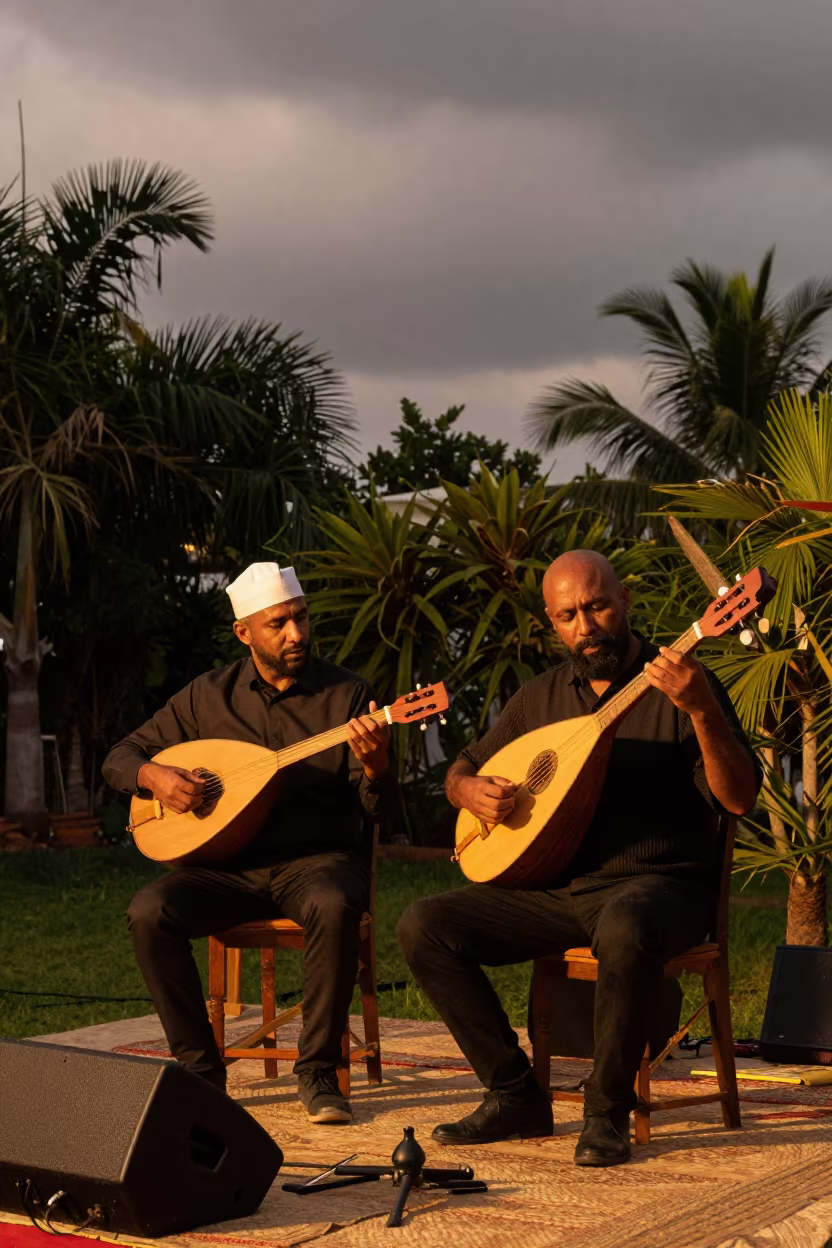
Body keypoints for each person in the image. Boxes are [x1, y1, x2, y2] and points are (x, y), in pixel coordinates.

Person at [397, 550, 761, 1166]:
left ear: (622, 602)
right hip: (558, 890)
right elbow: (464, 764)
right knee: (423, 925)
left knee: (625, 924)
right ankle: (515, 1095)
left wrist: (700, 710)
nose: (585, 625)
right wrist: (466, 791)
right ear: (552, 621)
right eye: (569, 615)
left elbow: (739, 797)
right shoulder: (540, 698)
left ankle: (606, 1113)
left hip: (660, 889)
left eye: (595, 607)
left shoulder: (680, 682)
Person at [102, 562, 397, 1125]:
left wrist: (377, 764)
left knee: (334, 906)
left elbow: (380, 810)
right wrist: (157, 778)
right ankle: (201, 1071)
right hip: (227, 867)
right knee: (149, 911)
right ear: (245, 633)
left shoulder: (348, 694)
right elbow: (121, 758)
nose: (296, 634)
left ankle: (317, 1072)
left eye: (301, 618)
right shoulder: (205, 697)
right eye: (279, 623)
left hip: (318, 863)